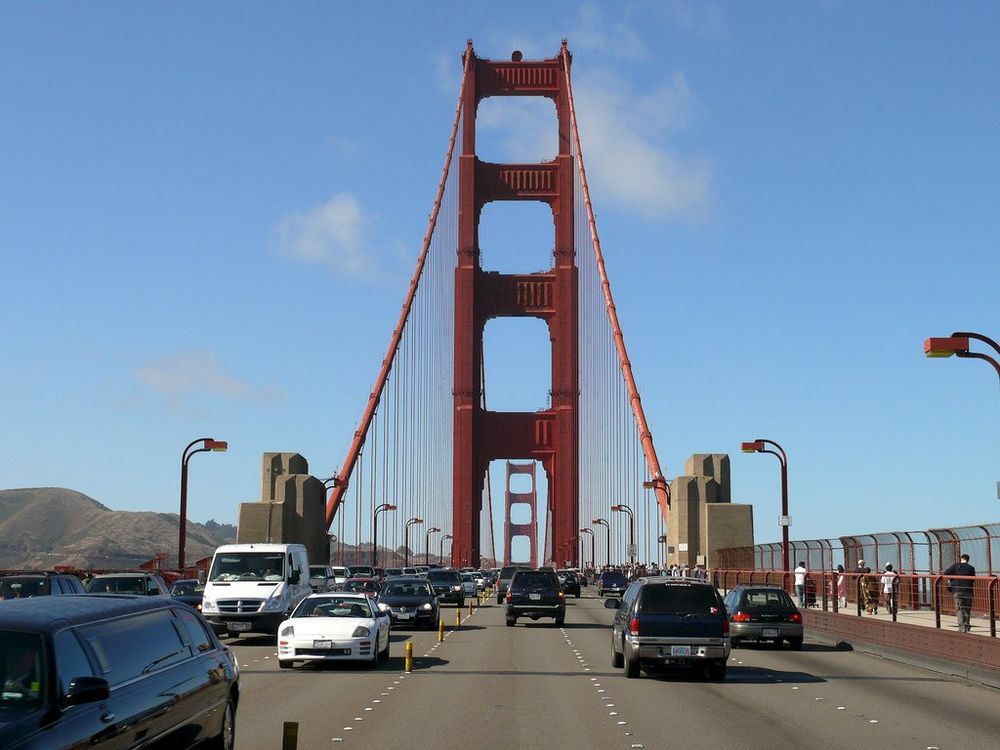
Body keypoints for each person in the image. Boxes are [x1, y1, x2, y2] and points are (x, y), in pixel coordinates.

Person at [943, 553, 976, 633]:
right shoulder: (971, 568)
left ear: (961, 558)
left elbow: (946, 572)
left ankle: (962, 627)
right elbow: (973, 579)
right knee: (967, 609)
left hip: (958, 590)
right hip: (968, 591)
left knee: (960, 609)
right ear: (968, 560)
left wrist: (952, 577)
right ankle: (967, 625)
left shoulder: (956, 566)